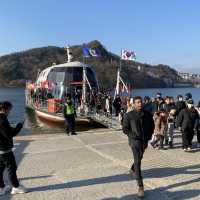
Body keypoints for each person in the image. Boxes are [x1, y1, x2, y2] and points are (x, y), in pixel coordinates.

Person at [122, 96, 154, 198]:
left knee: (140, 158)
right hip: (134, 142)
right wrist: (133, 135)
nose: (139, 104)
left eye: (140, 102)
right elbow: (125, 129)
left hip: (144, 141)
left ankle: (132, 169)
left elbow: (152, 126)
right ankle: (140, 186)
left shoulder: (147, 114)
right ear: (133, 104)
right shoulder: (129, 115)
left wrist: (148, 137)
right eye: (137, 102)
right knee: (138, 161)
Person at [0, 101, 27, 195]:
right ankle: (16, 187)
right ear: (5, 109)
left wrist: (14, 127)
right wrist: (20, 125)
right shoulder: (2, 120)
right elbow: (10, 134)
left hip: (0, 150)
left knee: (0, 168)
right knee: (12, 168)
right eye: (9, 109)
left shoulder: (3, 119)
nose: (10, 112)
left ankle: (1, 187)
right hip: (5, 150)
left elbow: (7, 131)